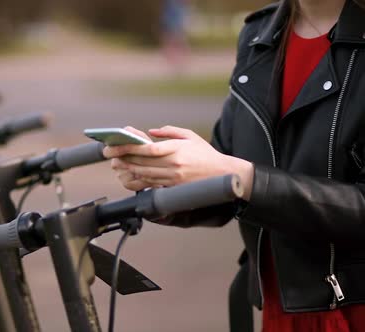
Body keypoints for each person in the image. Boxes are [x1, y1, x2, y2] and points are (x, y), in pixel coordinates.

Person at [105, 0, 365, 331]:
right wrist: (164, 176)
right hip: (279, 310)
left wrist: (243, 176)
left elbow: (240, 175)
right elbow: (226, 173)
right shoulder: (259, 33)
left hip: (351, 311)